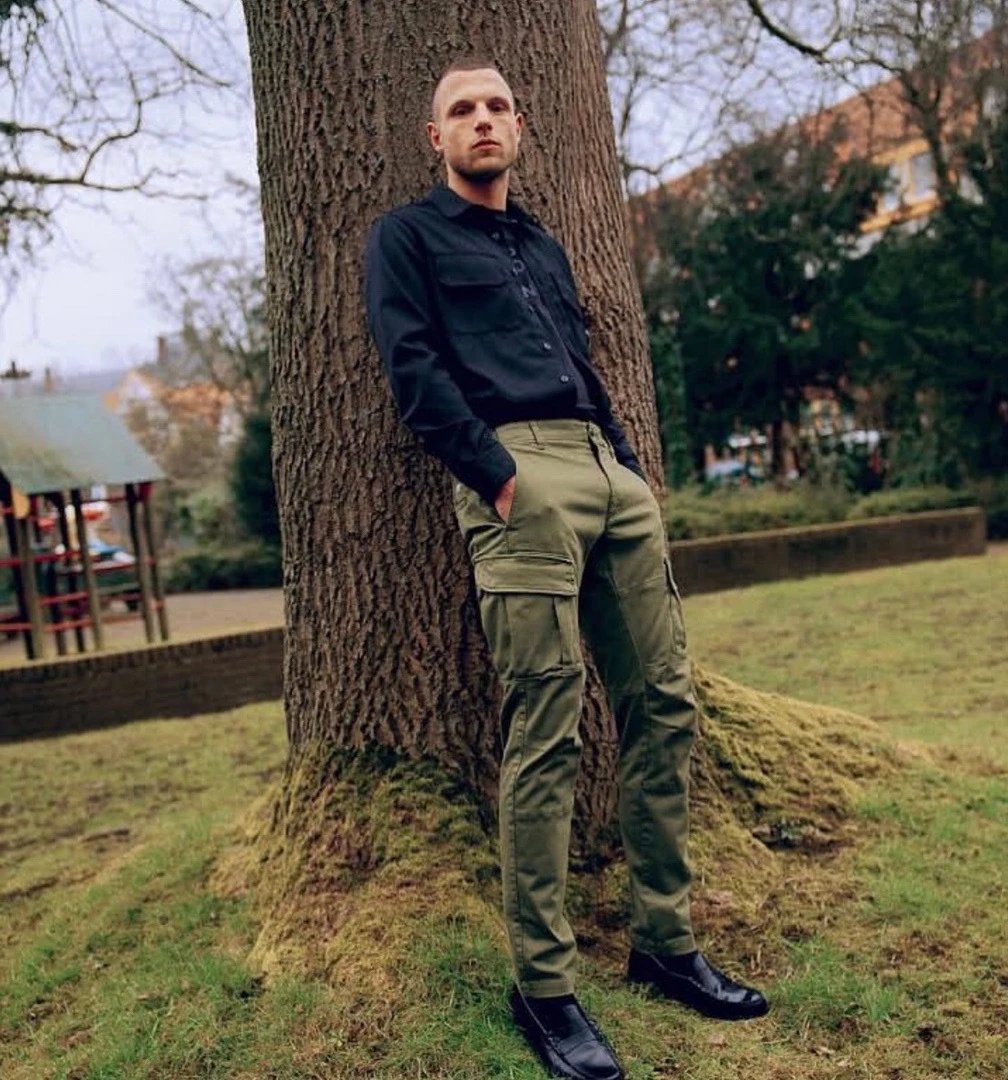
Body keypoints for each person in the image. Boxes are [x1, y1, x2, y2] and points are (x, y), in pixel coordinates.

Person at [364, 57, 768, 1080]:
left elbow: (584, 364)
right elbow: (413, 369)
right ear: (436, 138)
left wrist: (627, 468)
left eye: (498, 106)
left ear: (519, 126)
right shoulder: (406, 238)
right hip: (518, 474)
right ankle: (544, 988)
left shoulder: (541, 243)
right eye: (462, 109)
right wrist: (498, 477)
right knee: (546, 724)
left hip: (605, 471)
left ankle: (665, 943)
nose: (483, 120)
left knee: (664, 703)